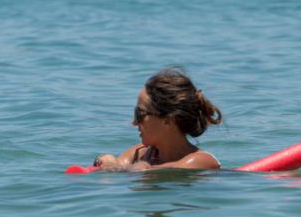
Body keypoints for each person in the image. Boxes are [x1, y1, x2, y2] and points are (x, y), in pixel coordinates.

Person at [93, 68, 222, 172]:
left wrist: (142, 168)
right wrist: (106, 159)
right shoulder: (141, 153)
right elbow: (118, 166)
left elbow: (155, 170)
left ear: (167, 120)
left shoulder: (201, 161)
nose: (134, 122)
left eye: (140, 114)